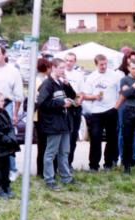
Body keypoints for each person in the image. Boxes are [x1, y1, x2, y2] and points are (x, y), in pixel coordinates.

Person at [36, 58, 76, 190]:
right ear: (53, 67)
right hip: (53, 123)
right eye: (61, 68)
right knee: (50, 152)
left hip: (64, 122)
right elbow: (42, 103)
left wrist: (67, 84)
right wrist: (61, 103)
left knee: (64, 151)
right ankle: (49, 179)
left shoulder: (61, 83)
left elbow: (73, 95)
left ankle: (66, 177)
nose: (63, 70)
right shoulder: (47, 84)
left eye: (64, 68)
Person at [0, 45, 24, 182]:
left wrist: (14, 114)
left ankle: (11, 170)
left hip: (6, 106)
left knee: (8, 139)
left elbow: (19, 95)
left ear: (5, 55)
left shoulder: (13, 71)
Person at [83, 54, 120, 171]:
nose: (103, 67)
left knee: (111, 138)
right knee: (95, 138)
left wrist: (116, 107)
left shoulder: (115, 76)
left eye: (105, 64)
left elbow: (120, 93)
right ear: (96, 64)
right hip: (96, 112)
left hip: (111, 110)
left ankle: (108, 163)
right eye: (101, 65)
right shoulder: (91, 77)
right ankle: (93, 165)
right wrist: (94, 96)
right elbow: (85, 95)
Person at [0, 92, 20, 198]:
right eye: (1, 100)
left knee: (6, 167)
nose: (4, 102)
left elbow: (10, 127)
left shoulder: (4, 112)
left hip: (6, 145)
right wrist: (9, 140)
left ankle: (6, 185)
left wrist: (12, 139)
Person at [116, 50, 135, 167]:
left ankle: (134, 157)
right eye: (130, 59)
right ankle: (124, 157)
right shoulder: (120, 74)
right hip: (123, 105)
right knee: (123, 131)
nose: (133, 61)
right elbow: (124, 92)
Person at [63, 52, 84, 169]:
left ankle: (69, 163)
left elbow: (81, 93)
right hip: (63, 108)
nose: (69, 63)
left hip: (75, 108)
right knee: (63, 137)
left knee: (73, 137)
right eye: (67, 60)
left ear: (75, 62)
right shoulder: (61, 74)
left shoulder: (79, 75)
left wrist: (78, 101)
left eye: (71, 61)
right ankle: (60, 163)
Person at [35, 58, 52, 178]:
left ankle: (41, 171)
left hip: (40, 116)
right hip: (40, 115)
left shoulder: (38, 79)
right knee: (43, 145)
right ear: (46, 67)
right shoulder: (41, 81)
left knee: (43, 145)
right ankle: (41, 171)